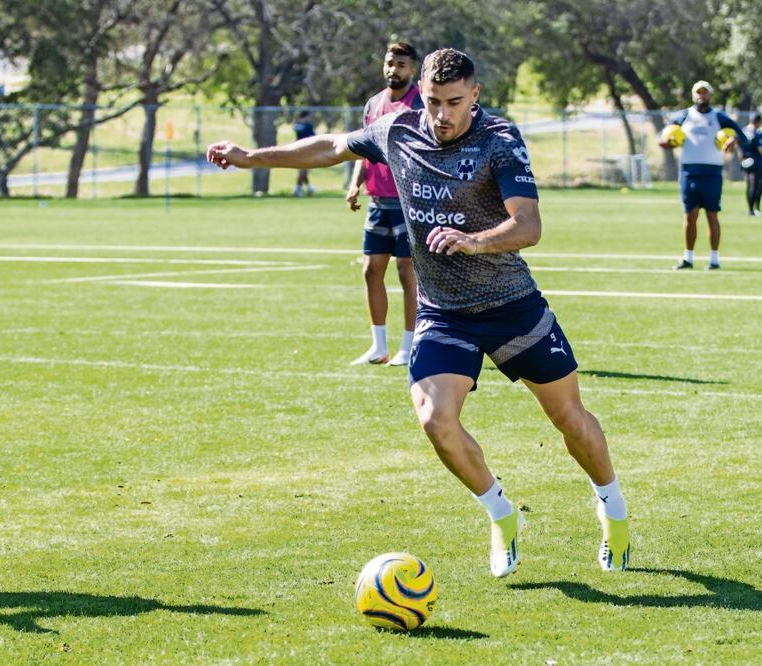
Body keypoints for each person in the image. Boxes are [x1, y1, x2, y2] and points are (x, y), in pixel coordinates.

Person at [207, 48, 630, 577]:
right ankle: (501, 515)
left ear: (475, 95)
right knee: (435, 420)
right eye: (433, 101)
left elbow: (530, 225)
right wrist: (251, 157)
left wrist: (474, 241)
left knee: (569, 418)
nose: (442, 114)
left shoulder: (499, 140)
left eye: (454, 102)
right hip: (443, 312)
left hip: (510, 304)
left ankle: (612, 507)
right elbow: (333, 146)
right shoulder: (398, 130)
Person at [346, 42, 425, 366]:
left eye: (402, 64)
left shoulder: (420, 102)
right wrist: (355, 184)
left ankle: (409, 346)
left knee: (408, 271)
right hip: (378, 202)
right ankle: (378, 346)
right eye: (390, 63)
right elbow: (363, 148)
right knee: (371, 270)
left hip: (408, 202)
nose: (394, 69)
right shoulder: (373, 104)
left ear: (413, 69)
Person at [659, 80, 750, 270]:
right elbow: (664, 138)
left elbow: (742, 136)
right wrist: (668, 142)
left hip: (712, 172)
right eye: (698, 93)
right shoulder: (683, 116)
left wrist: (732, 140)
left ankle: (714, 259)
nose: (702, 96)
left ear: (711, 95)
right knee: (690, 215)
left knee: (712, 214)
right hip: (689, 171)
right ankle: (688, 258)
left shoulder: (720, 117)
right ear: (693, 95)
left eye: (705, 92)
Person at [742, 114, 762, 217]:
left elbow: (739, 146)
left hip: (746, 161)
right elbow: (761, 149)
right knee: (755, 186)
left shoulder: (743, 131)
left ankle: (750, 209)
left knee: (749, 186)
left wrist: (742, 158)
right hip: (756, 162)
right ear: (757, 121)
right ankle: (752, 210)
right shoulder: (756, 133)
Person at [293, 110, 315, 197]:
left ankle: (308, 188)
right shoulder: (306, 126)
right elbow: (313, 136)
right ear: (306, 116)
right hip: (304, 149)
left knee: (304, 170)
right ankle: (298, 188)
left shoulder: (298, 125)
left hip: (300, 148)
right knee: (303, 170)